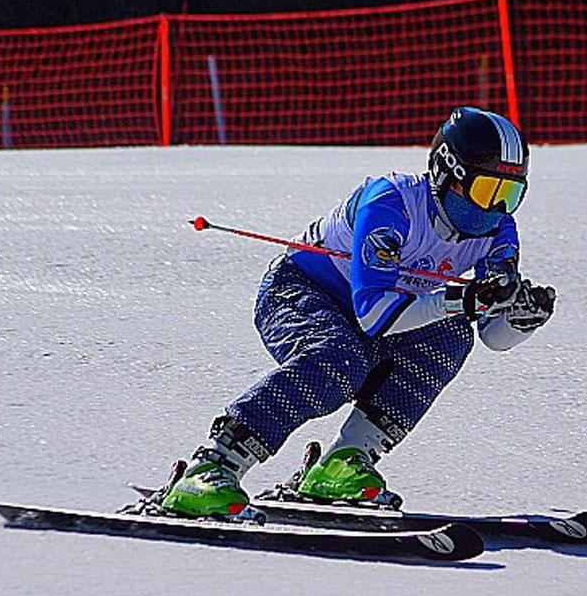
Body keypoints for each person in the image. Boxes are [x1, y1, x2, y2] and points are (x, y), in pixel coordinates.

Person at [156, 106, 556, 519]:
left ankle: (343, 463)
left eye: (511, 196)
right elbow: (374, 315)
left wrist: (519, 319)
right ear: (446, 172)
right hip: (299, 291)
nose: (496, 208)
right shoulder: (391, 202)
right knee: (341, 359)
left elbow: (492, 335)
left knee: (452, 334)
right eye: (488, 191)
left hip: (382, 313)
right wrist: (462, 300)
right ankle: (212, 466)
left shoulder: (499, 230)